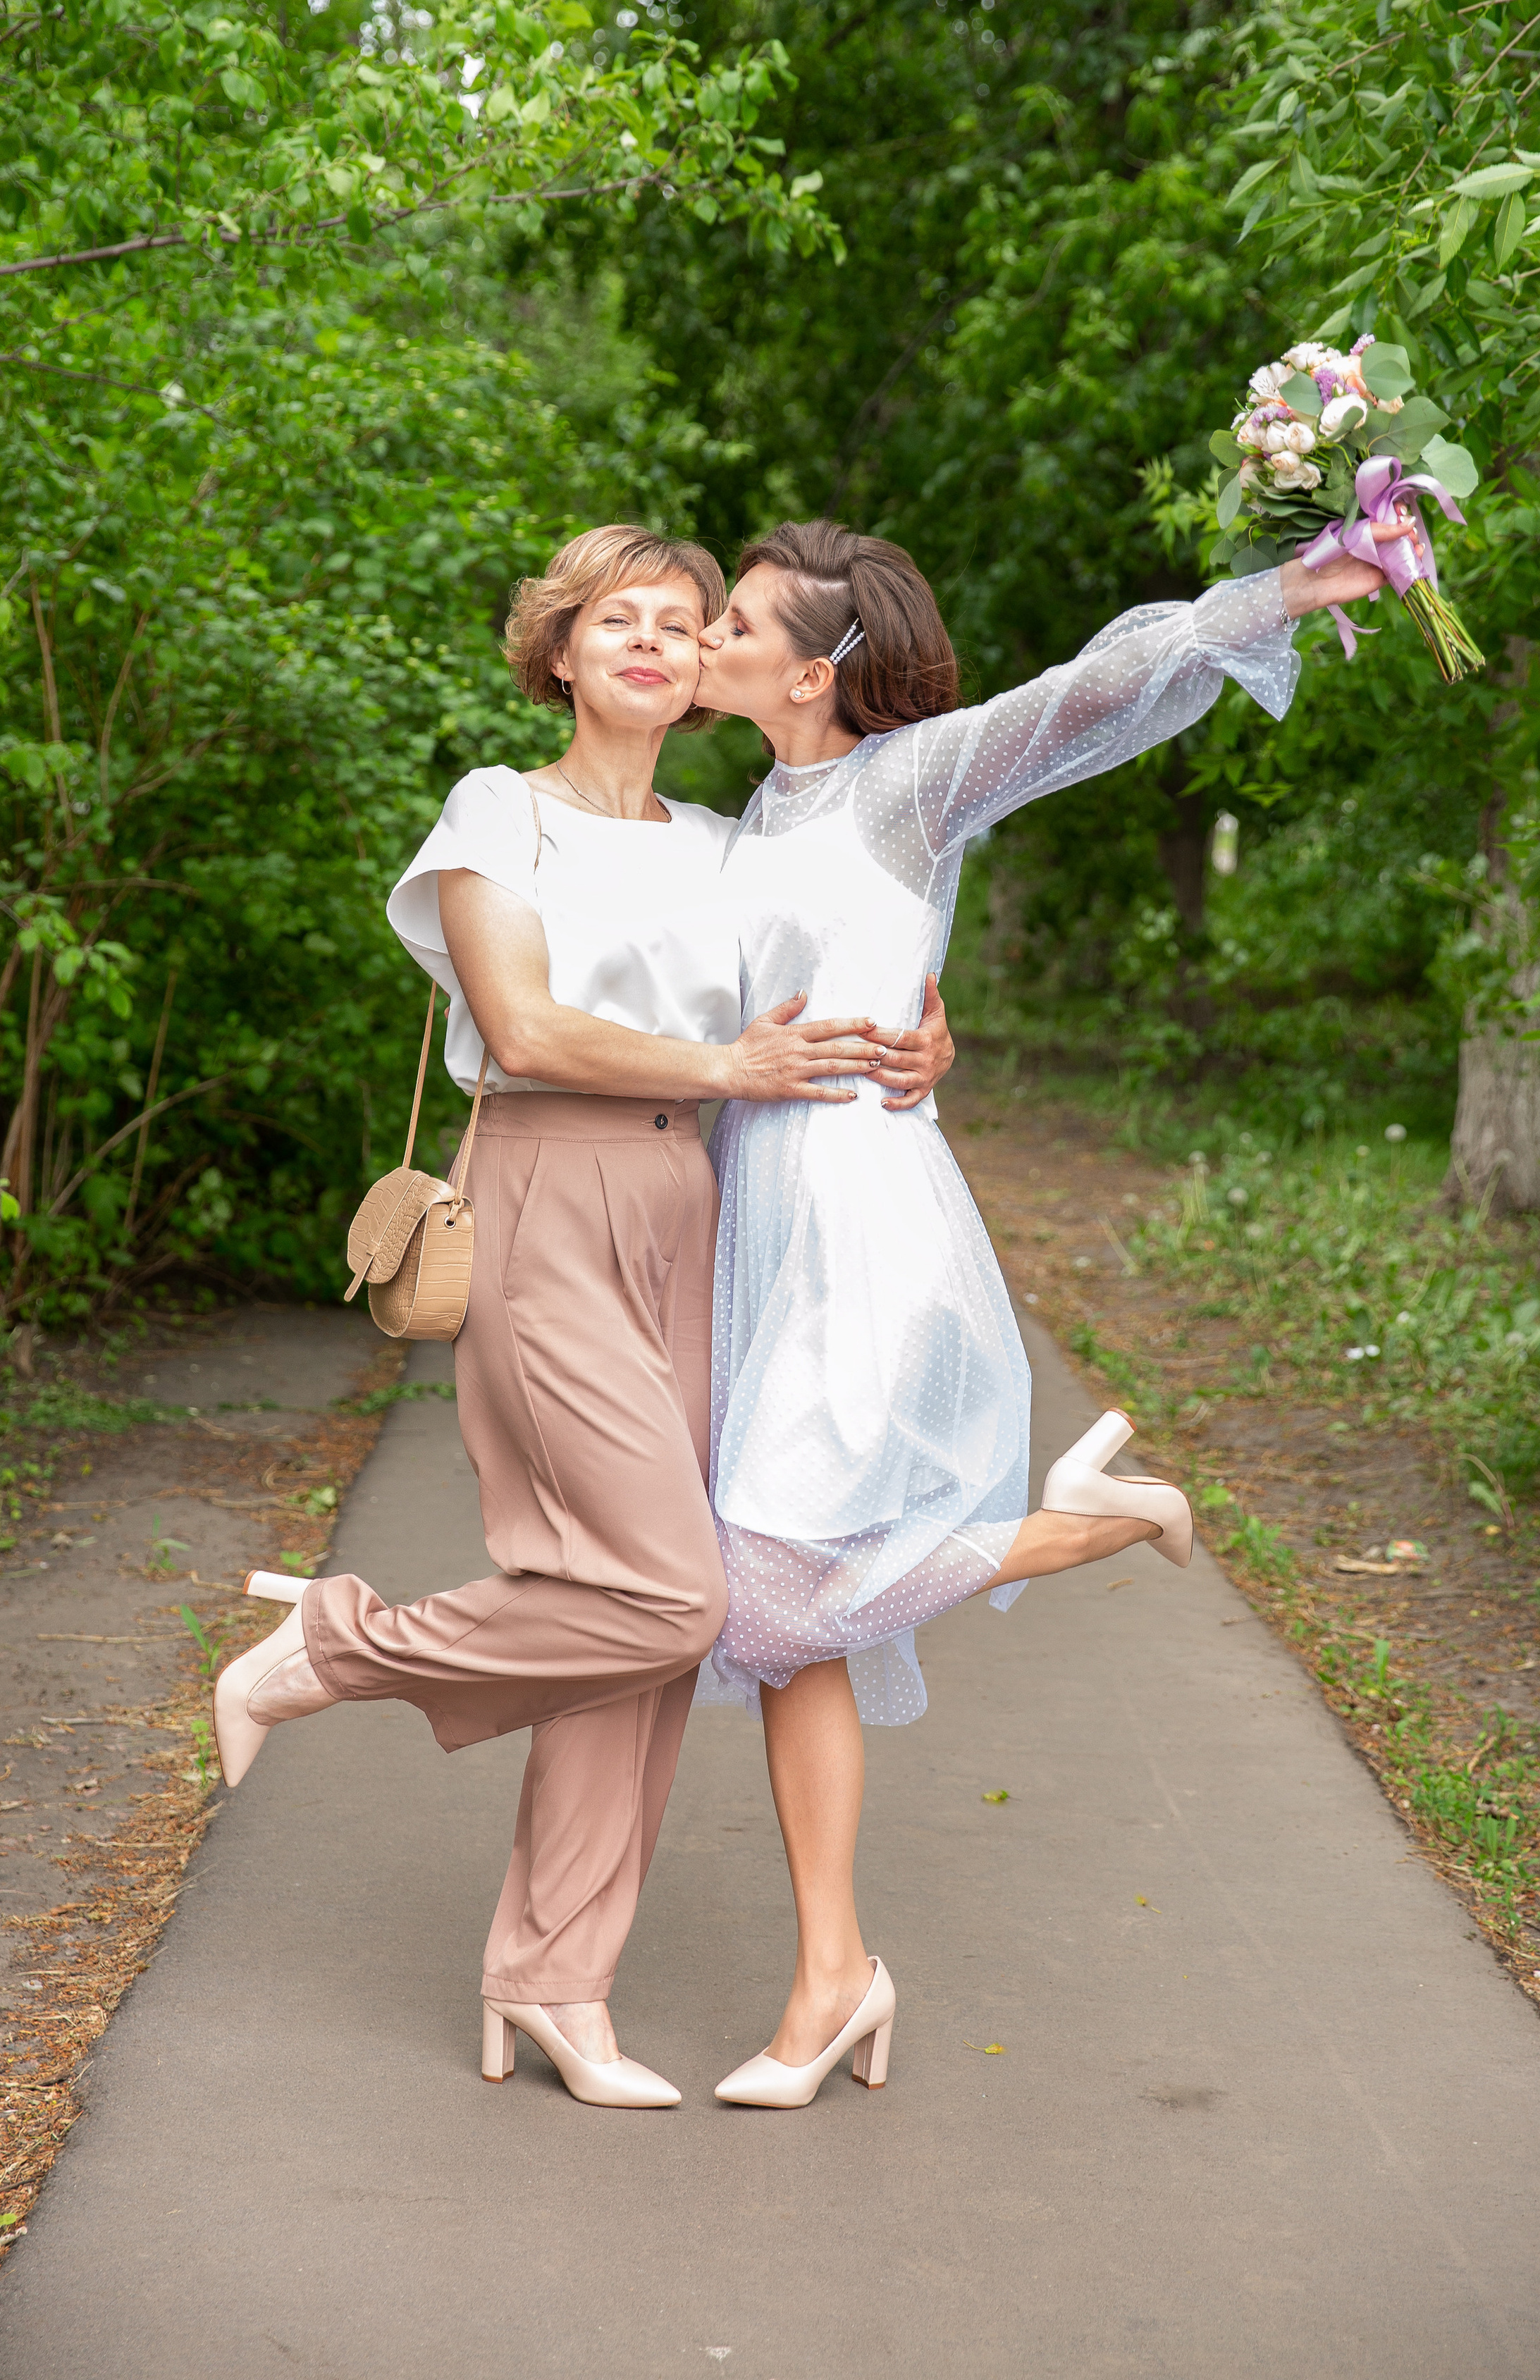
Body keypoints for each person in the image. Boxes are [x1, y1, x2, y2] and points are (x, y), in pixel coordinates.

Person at [211, 524, 954, 2111]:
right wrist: (728, 1065)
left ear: (704, 671)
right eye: (619, 619)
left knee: (623, 1611)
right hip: (547, 1192)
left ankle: (553, 1981)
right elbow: (526, 1027)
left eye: (685, 623)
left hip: (699, 1205)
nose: (655, 641)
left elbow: (847, 964)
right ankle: (329, 1646)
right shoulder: (502, 810)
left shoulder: (725, 840)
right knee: (674, 1596)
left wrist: (919, 1041)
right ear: (560, 653)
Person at [687, 514, 1402, 2109]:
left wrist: (1289, 589)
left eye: (737, 621)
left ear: (814, 671)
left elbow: (1089, 690)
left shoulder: (906, 781)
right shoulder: (744, 813)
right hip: (763, 1230)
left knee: (770, 1594)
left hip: (864, 1227)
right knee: (783, 1628)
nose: (711, 636)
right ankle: (833, 1977)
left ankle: (1091, 1522)